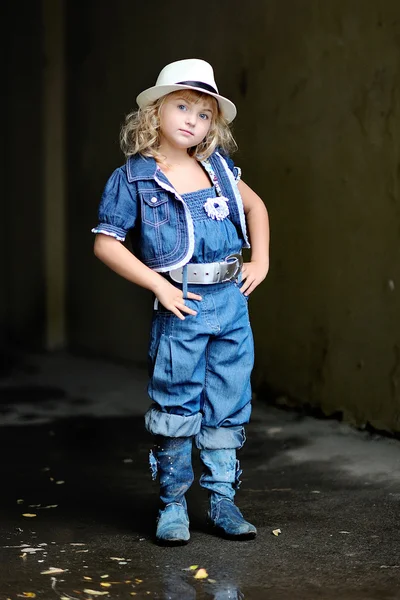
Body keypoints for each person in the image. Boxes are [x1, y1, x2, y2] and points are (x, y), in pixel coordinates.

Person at [92, 59, 270, 545]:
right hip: (183, 304)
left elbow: (256, 206)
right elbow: (106, 243)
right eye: (182, 106)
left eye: (205, 114)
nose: (193, 119)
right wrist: (159, 286)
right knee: (176, 401)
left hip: (231, 302)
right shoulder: (135, 178)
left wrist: (261, 261)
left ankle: (222, 501)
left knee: (229, 402)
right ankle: (172, 504)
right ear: (155, 111)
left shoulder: (217, 169)